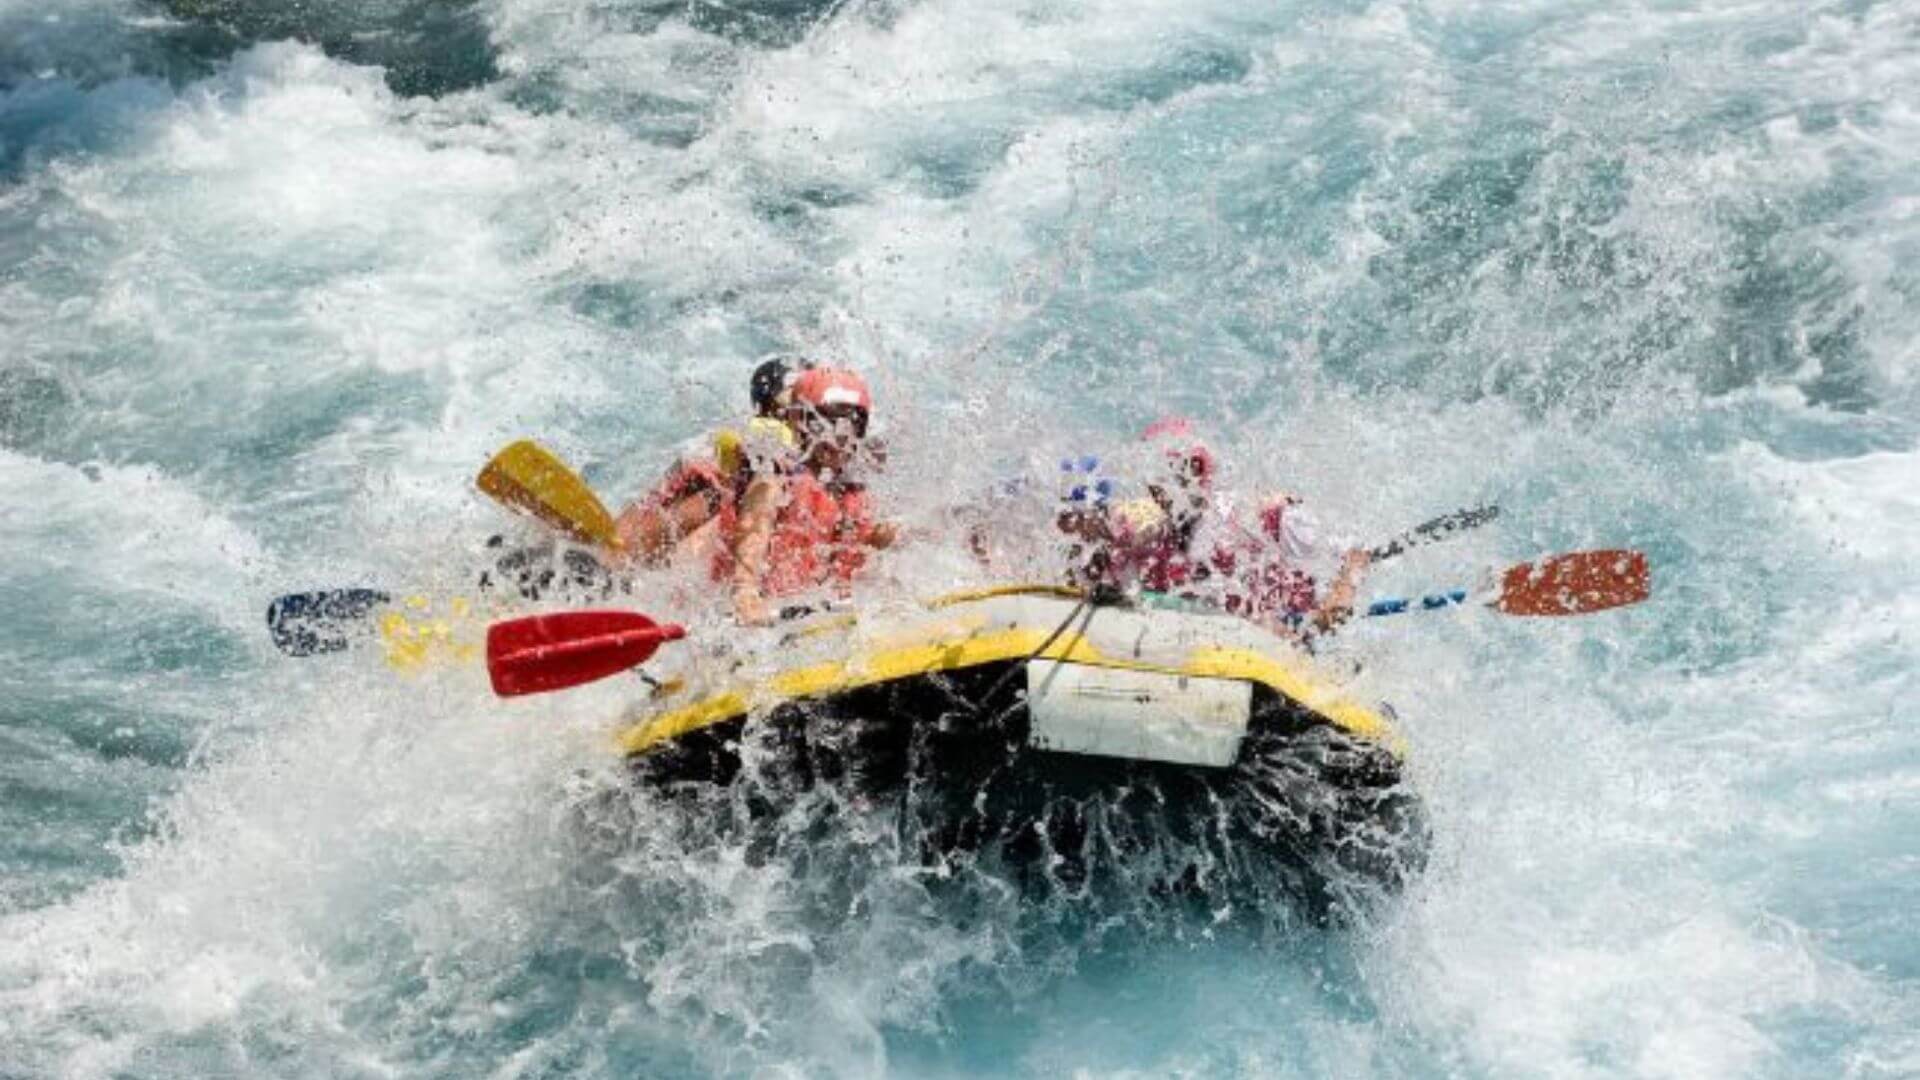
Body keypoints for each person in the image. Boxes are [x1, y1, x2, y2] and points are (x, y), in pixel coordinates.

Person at [728, 366, 898, 625]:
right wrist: (746, 594)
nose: (837, 436)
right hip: (765, 612)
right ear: (800, 422)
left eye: (849, 424)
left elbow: (870, 544)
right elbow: (755, 526)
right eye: (823, 422)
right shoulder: (775, 476)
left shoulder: (853, 489)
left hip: (820, 609)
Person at [611, 354, 808, 567]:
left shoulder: (835, 464)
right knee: (709, 484)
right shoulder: (739, 454)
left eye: (810, 410)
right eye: (791, 409)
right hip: (709, 546)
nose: (802, 419)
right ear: (766, 414)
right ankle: (617, 558)